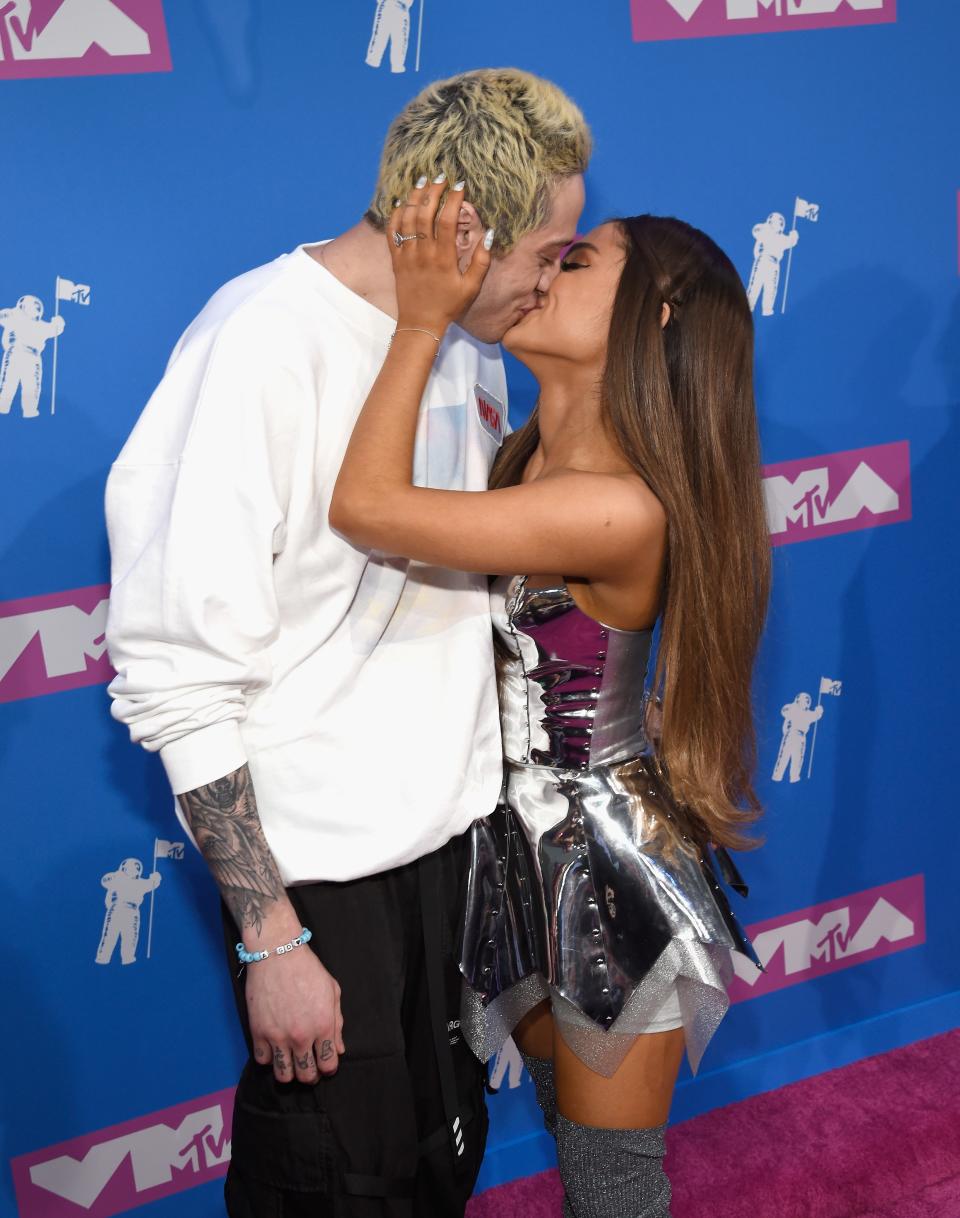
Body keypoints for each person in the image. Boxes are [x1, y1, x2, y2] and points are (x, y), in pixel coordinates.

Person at [104, 68, 590, 1217]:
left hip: (455, 866)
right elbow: (174, 672)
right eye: (546, 252)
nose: (551, 279)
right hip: (324, 890)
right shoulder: (258, 346)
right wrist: (272, 938)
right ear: (465, 235)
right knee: (334, 1190)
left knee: (437, 1171)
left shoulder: (465, 345)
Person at [330, 180, 772, 1218]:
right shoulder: (520, 457)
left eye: (580, 261)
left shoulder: (613, 508)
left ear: (655, 315)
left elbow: (366, 508)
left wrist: (423, 316)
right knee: (577, 1153)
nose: (543, 269)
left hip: (609, 880)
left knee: (612, 1189)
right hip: (508, 861)